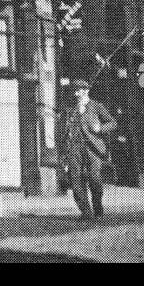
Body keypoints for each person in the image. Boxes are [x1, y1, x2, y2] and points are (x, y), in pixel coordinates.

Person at [58, 79, 117, 221]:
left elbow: (113, 123)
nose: (76, 93)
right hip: (74, 147)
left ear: (86, 91)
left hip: (92, 148)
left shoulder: (96, 106)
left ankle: (97, 207)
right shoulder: (70, 109)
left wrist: (100, 128)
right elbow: (64, 129)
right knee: (76, 179)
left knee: (95, 179)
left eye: (78, 91)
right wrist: (64, 149)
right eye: (75, 91)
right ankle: (86, 212)